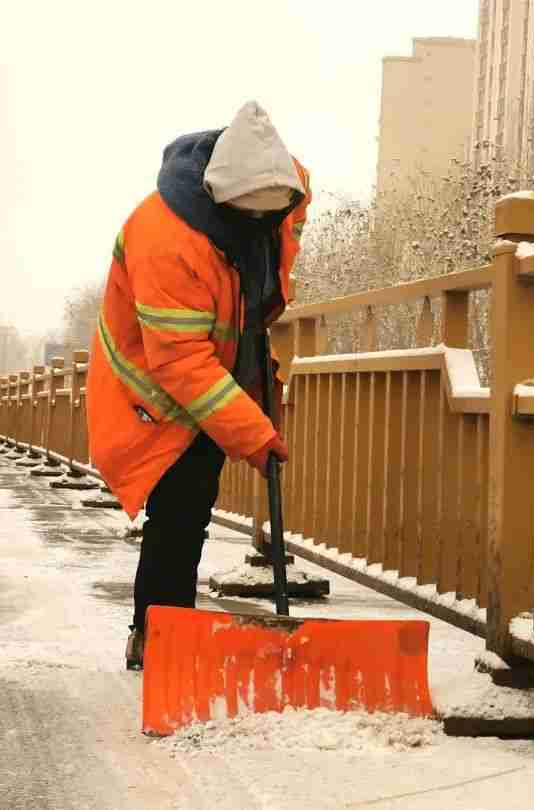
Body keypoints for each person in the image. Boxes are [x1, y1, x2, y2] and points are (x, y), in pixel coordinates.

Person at [86, 101, 311, 670]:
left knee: (197, 502)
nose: (265, 225)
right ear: (221, 199)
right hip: (152, 385)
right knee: (178, 507)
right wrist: (252, 433)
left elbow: (272, 256)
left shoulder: (286, 191)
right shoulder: (165, 239)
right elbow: (181, 362)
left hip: (215, 365)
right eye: (251, 217)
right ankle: (158, 638)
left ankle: (171, 630)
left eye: (273, 216)